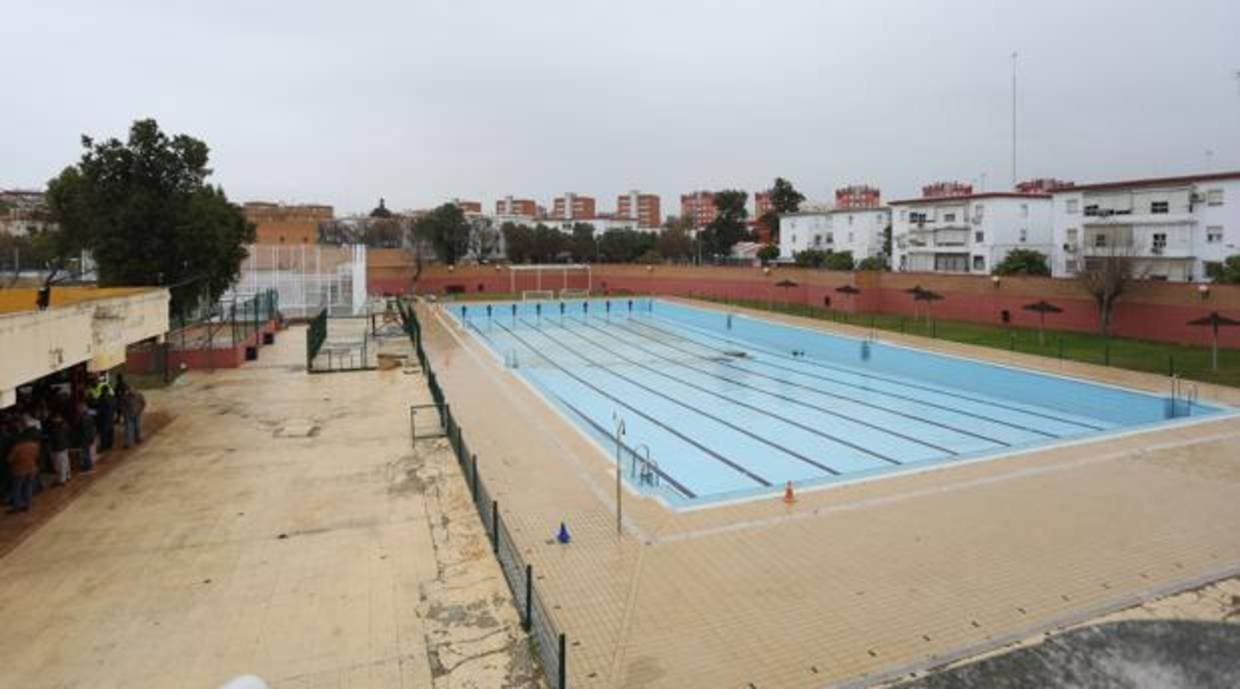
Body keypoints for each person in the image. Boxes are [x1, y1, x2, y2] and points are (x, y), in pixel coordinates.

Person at [6, 427, 40, 513]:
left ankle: (16, 507)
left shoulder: (17, 447)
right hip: (32, 469)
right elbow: (36, 456)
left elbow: (9, 459)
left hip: (19, 470)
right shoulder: (35, 446)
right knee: (28, 487)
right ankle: (28, 505)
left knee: (17, 489)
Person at [119, 382, 145, 449]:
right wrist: (125, 413)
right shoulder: (125, 397)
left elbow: (143, 403)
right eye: (128, 389)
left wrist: (140, 410)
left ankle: (138, 438)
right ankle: (128, 443)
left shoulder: (138, 395)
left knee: (137, 427)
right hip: (129, 414)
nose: (129, 391)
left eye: (130, 389)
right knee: (128, 428)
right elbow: (122, 406)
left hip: (137, 413)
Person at [48, 413, 71, 485]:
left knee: (61, 464)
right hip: (63, 446)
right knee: (65, 463)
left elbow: (55, 438)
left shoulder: (56, 427)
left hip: (59, 448)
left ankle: (62, 480)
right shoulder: (65, 425)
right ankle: (67, 476)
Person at [75, 403, 96, 473]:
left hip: (85, 438)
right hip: (89, 437)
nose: (78, 411)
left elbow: (81, 429)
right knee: (87, 452)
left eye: (79, 409)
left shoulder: (82, 418)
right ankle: (88, 466)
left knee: (85, 453)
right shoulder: (89, 416)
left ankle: (87, 467)